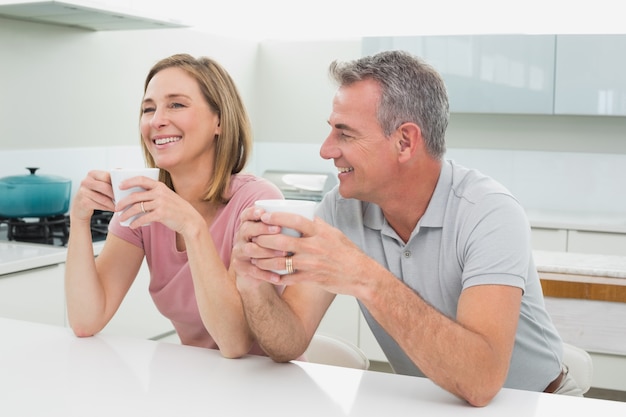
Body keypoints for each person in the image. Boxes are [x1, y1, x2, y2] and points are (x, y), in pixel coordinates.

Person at [232, 50, 583, 405]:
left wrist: (364, 277)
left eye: (345, 134)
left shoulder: (488, 212)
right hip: (435, 401)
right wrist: (253, 286)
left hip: (537, 402)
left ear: (405, 141)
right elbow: (287, 343)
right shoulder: (341, 208)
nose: (326, 150)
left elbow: (481, 382)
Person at [65, 53, 282, 358]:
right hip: (197, 383)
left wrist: (191, 226)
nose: (156, 121)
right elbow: (86, 320)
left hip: (270, 389)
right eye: (148, 108)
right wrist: (79, 219)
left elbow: (234, 343)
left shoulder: (256, 202)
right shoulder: (142, 202)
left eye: (176, 104)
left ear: (218, 120)